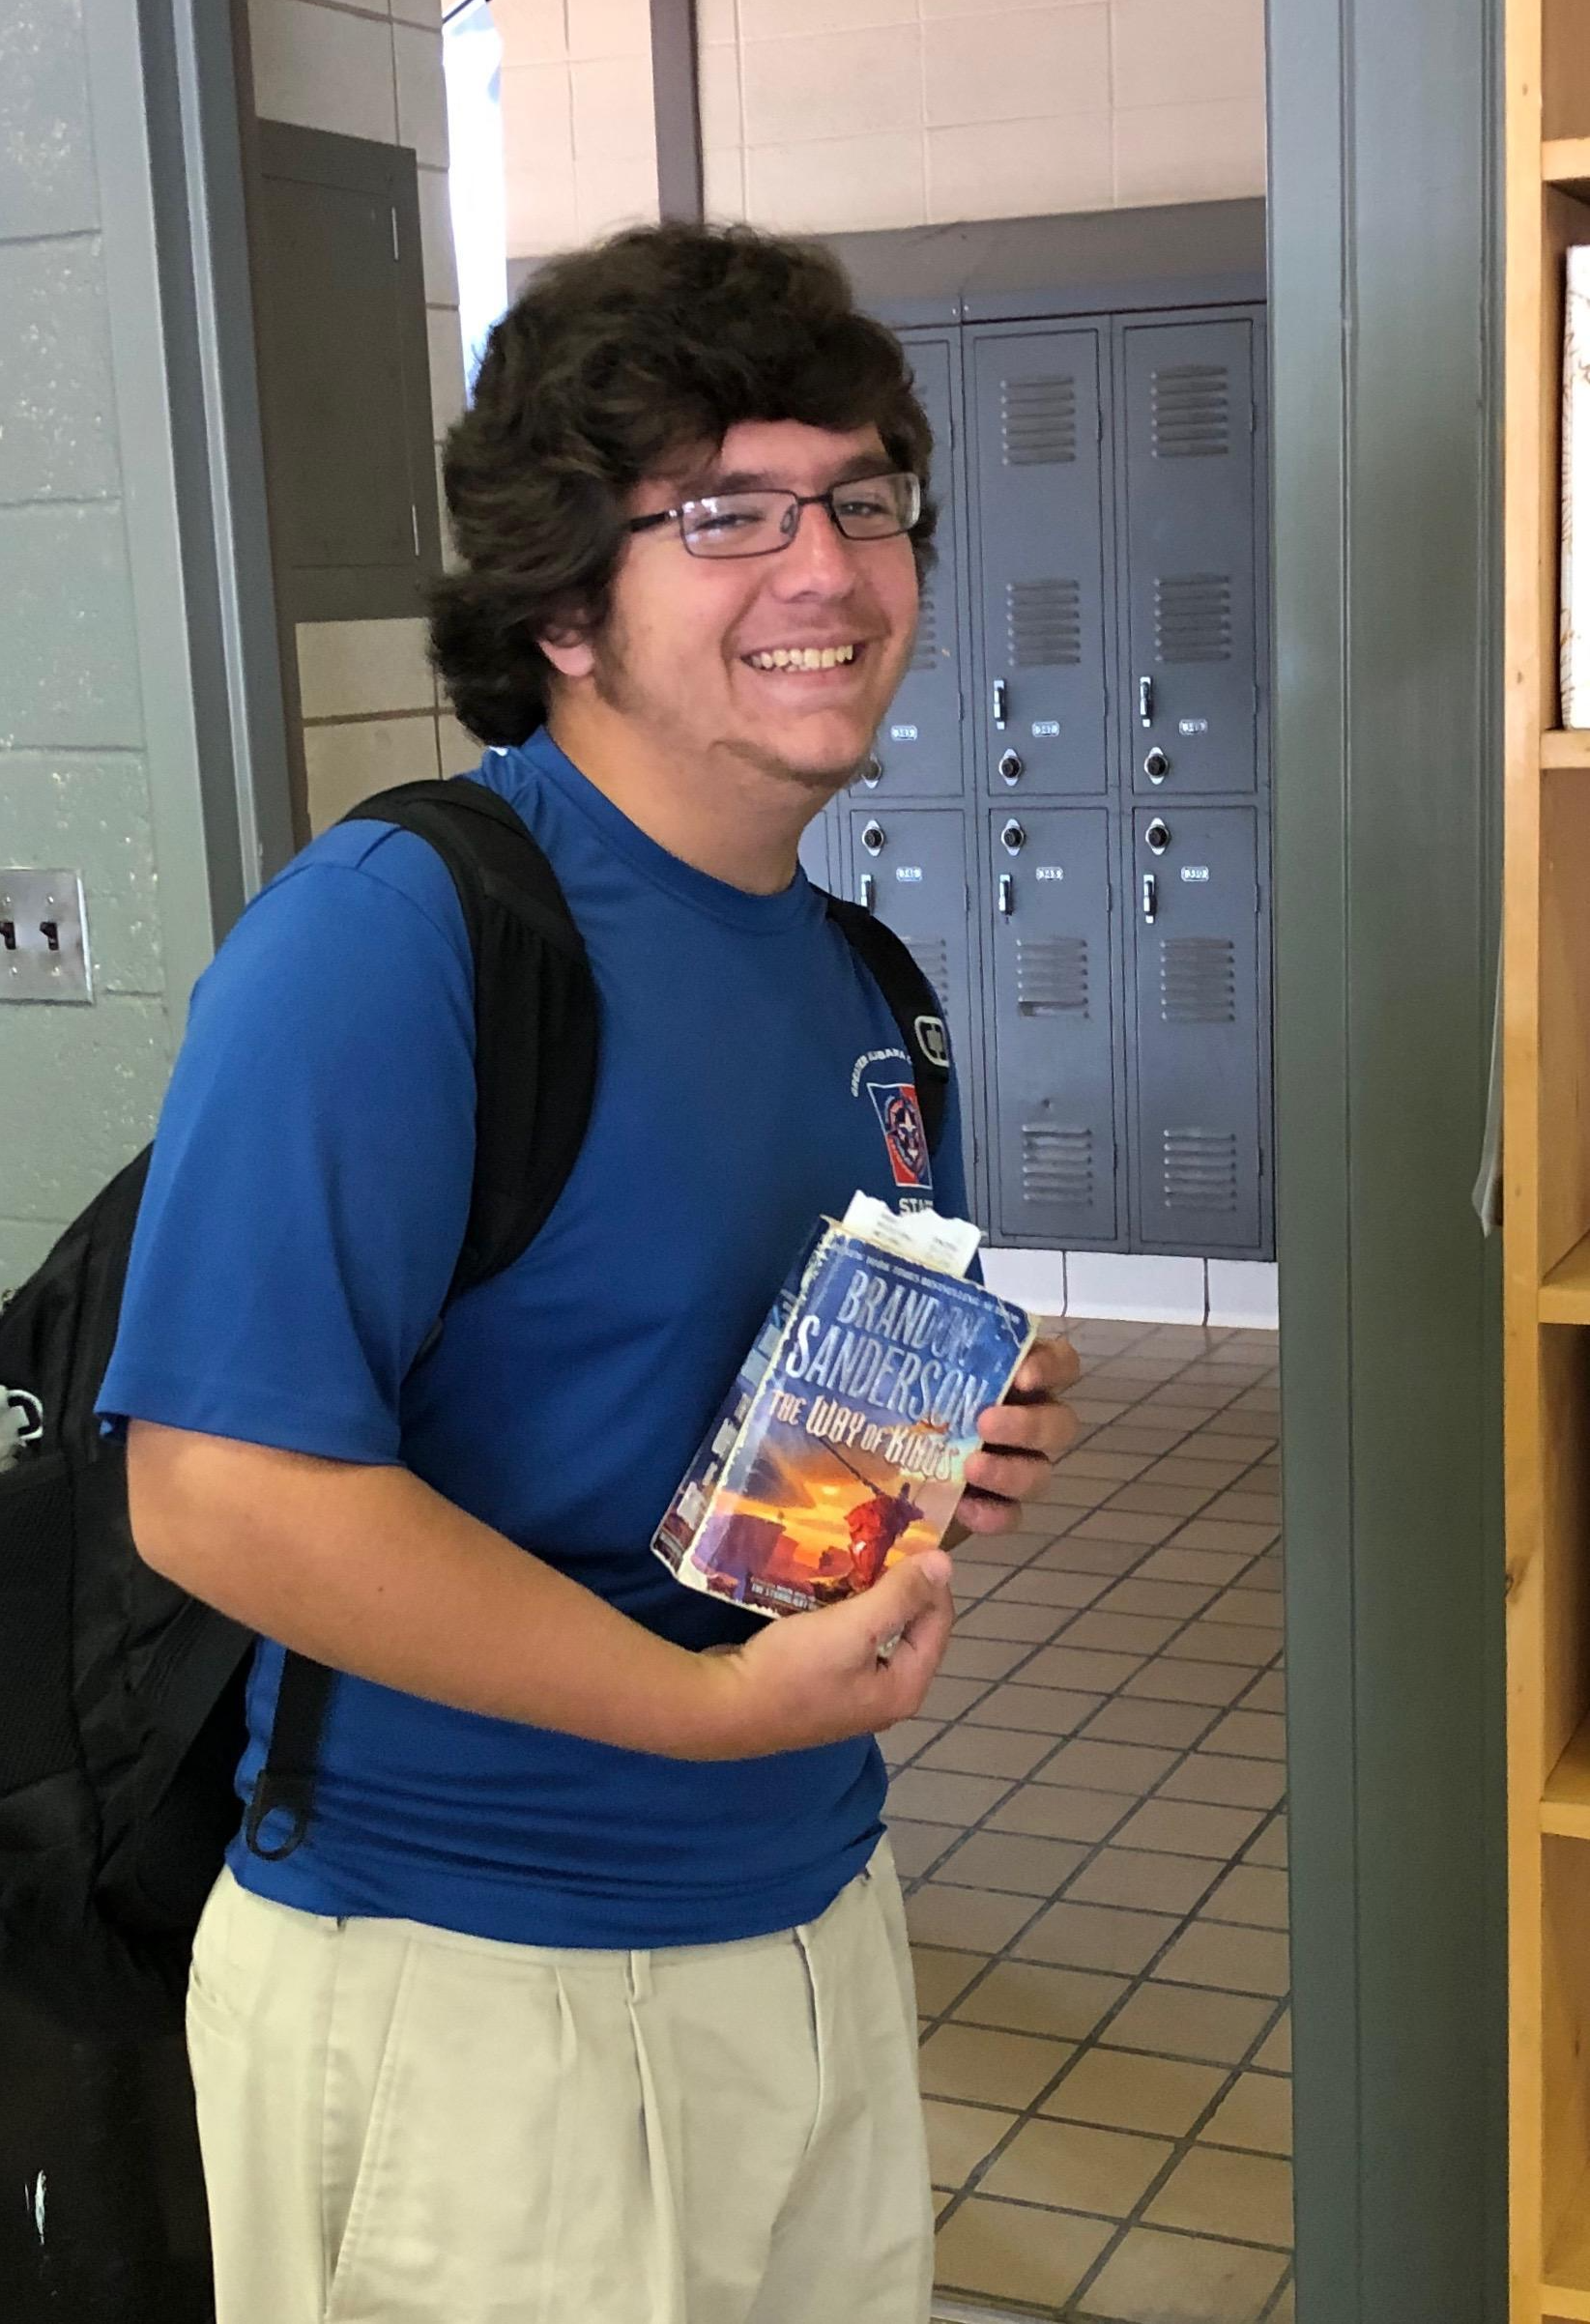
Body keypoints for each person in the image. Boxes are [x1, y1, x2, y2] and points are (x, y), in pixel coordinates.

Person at [101, 221, 1081, 2324]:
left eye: (862, 496)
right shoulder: (398, 937)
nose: (827, 566)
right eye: (724, 511)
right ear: (561, 595)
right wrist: (702, 1711)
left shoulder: (865, 988)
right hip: (470, 1987)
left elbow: (717, 1425)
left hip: (810, 1921)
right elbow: (213, 1490)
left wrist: (942, 1446)